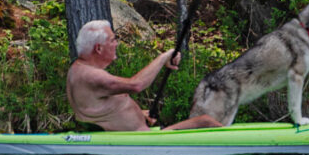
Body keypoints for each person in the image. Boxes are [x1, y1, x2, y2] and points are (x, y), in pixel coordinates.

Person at [66, 19, 223, 131]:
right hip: (139, 138)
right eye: (113, 40)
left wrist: (140, 114)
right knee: (206, 121)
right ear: (99, 49)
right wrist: (164, 57)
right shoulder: (91, 75)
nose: (116, 44)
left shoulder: (79, 69)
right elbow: (137, 85)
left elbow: (96, 108)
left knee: (205, 121)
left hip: (139, 135)